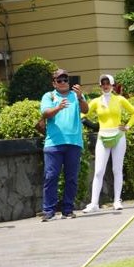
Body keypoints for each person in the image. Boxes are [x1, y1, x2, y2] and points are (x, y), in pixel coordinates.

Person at [83, 74, 134, 213]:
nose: (105, 85)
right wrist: (92, 125)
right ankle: (94, 203)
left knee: (117, 169)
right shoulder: (96, 101)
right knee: (99, 171)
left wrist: (127, 126)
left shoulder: (119, 99)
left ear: (113, 85)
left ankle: (117, 200)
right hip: (103, 136)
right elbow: (83, 114)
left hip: (118, 136)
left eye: (108, 83)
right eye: (103, 83)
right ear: (100, 85)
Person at [40, 68, 88, 221]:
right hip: (53, 143)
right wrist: (58, 107)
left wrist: (81, 98)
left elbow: (86, 110)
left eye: (65, 80)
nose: (63, 83)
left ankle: (68, 210)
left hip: (74, 142)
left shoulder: (76, 95)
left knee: (71, 178)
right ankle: (48, 211)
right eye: (59, 80)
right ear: (54, 83)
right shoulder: (50, 95)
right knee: (51, 176)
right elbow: (45, 113)